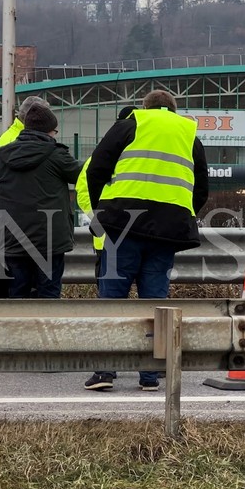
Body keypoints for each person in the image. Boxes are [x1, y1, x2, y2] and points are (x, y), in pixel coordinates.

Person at [83, 90, 209, 392]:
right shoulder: (188, 134)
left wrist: (103, 208)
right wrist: (182, 213)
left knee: (112, 297)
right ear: (173, 109)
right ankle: (150, 375)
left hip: (123, 225)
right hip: (167, 231)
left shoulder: (131, 123)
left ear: (146, 106)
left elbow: (96, 166)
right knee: (156, 302)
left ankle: (104, 372)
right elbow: (202, 186)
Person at [0, 103, 82, 299]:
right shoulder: (57, 156)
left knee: (17, 294)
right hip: (50, 242)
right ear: (49, 131)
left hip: (13, 239)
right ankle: (44, 329)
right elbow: (86, 175)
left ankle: (19, 329)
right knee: (49, 295)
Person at [75, 106, 135, 279]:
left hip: (130, 236)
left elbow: (83, 192)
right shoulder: (101, 156)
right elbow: (83, 192)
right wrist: (100, 215)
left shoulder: (101, 156)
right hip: (108, 239)